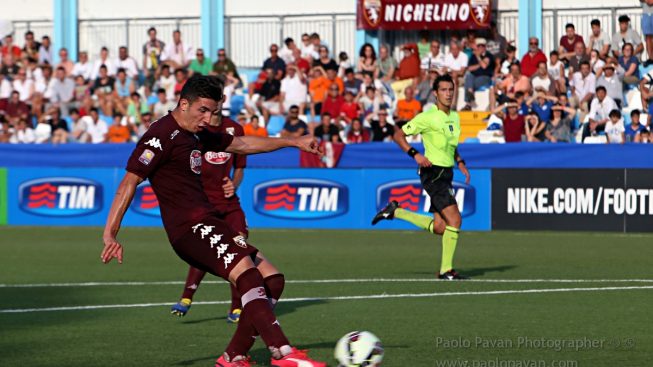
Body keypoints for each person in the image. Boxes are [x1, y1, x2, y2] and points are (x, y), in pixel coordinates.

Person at [100, 75, 326, 367]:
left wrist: (293, 141)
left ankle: (234, 356)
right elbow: (129, 182)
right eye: (203, 110)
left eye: (213, 111)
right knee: (248, 274)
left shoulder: (197, 133)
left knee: (272, 279)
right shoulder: (161, 134)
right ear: (184, 104)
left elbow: (242, 144)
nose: (208, 118)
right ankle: (282, 352)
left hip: (210, 222)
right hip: (190, 228)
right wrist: (111, 234)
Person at [372, 74, 470, 280]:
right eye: (443, 90)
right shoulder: (428, 117)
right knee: (455, 219)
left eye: (451, 89)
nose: (448, 93)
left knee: (441, 227)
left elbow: (452, 146)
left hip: (447, 173)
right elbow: (398, 135)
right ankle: (446, 270)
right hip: (432, 173)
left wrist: (460, 162)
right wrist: (414, 154)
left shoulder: (455, 117)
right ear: (435, 93)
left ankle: (395, 212)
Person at [170, 111, 250, 324]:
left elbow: (240, 167)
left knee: (239, 248)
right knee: (207, 249)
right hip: (204, 204)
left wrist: (234, 183)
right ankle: (187, 297)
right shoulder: (197, 130)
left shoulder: (234, 128)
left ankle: (236, 308)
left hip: (230, 205)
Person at [461, 38, 495, 111]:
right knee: (468, 76)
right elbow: (469, 68)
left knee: (468, 83)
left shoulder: (489, 55)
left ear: (485, 47)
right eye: (479, 46)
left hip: (485, 77)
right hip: (474, 77)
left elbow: (484, 66)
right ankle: (470, 93)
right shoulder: (473, 57)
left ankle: (468, 104)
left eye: (482, 46)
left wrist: (478, 57)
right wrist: (479, 64)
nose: (480, 48)